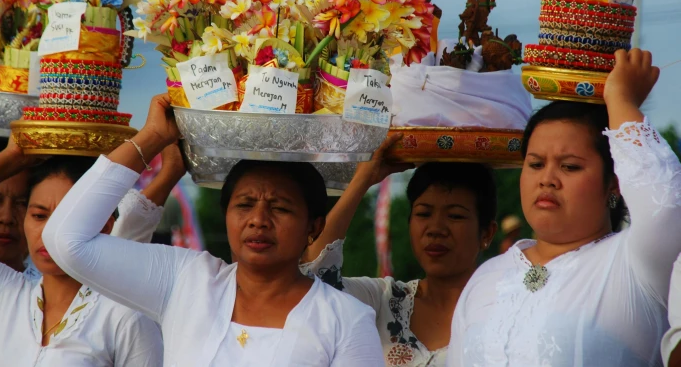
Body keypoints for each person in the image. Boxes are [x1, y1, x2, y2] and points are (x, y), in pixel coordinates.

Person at [42, 93, 384, 366]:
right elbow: (66, 239)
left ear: (315, 226)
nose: (258, 220)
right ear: (226, 215)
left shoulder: (346, 318)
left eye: (280, 207)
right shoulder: (187, 281)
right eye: (244, 205)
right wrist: (152, 138)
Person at [447, 48, 679, 366]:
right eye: (536, 164)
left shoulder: (636, 264)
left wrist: (621, 100)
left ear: (614, 181)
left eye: (569, 166)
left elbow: (665, 203)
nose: (547, 179)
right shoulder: (487, 276)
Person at [0, 129, 176, 367]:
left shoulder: (124, 317)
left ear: (104, 225)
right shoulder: (3, 293)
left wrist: (153, 138)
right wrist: (15, 156)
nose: (50, 234)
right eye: (39, 216)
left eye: (66, 220)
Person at [300, 143, 498, 367]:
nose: (435, 228)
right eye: (423, 214)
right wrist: (364, 178)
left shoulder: (505, 306)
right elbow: (314, 273)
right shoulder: (384, 300)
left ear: (487, 233)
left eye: (455, 216)